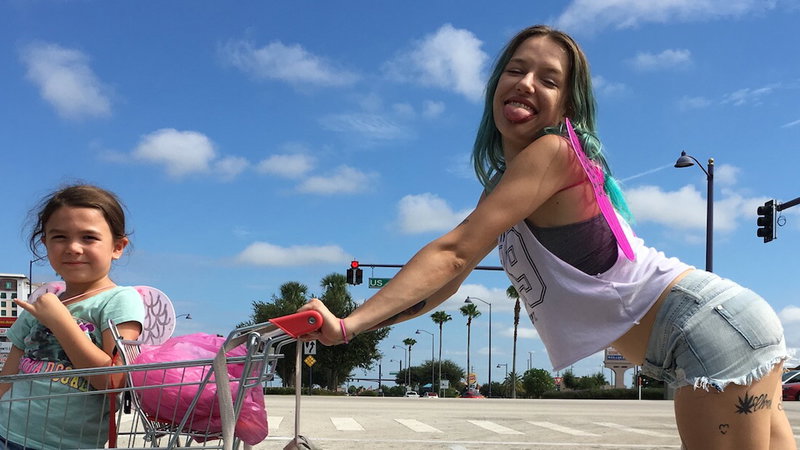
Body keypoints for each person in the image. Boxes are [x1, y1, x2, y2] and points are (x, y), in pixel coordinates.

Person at [298, 25, 794, 449]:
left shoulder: (555, 152)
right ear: (496, 84)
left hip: (707, 330)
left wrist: (348, 324)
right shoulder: (507, 187)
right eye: (515, 70)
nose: (526, 83)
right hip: (722, 326)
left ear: (566, 106)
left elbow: (453, 253)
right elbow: (449, 278)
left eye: (549, 79)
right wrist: (356, 326)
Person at [0, 184, 145, 449]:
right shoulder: (42, 303)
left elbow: (113, 382)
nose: (73, 248)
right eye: (59, 237)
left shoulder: (120, 300)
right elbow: (8, 376)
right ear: (45, 243)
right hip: (6, 431)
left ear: (117, 246)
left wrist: (60, 321)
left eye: (89, 237)